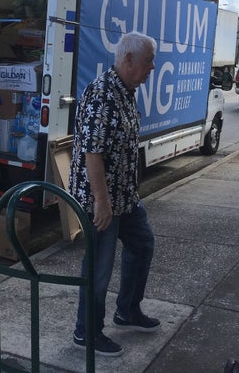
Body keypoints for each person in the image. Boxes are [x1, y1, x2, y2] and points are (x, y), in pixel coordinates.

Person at [70, 31, 160, 358]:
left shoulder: (127, 90)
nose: (153, 66)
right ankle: (87, 332)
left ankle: (128, 310)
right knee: (99, 268)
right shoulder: (102, 94)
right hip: (102, 200)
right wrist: (102, 203)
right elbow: (93, 153)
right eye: (149, 60)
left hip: (124, 196)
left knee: (142, 244)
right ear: (129, 60)